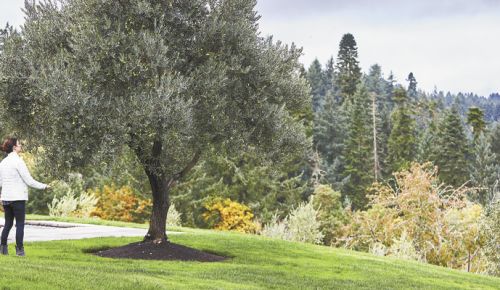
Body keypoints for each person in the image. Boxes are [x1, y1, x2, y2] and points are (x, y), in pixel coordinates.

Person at [0, 138, 50, 256]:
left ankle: (2, 249)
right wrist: (44, 186)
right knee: (20, 224)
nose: (21, 146)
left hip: (6, 198)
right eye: (19, 144)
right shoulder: (18, 161)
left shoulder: (3, 163)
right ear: (14, 148)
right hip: (18, 198)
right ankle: (20, 251)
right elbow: (29, 181)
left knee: (8, 224)